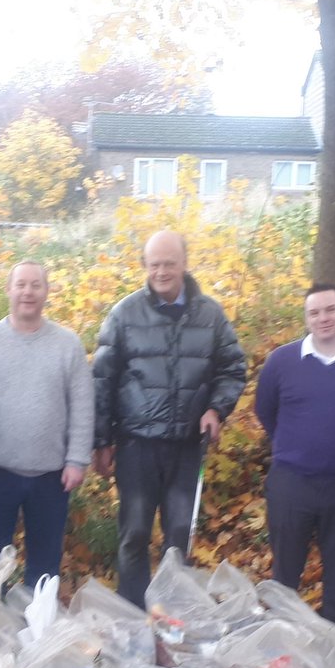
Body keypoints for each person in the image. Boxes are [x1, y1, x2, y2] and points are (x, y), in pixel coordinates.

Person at [92, 230, 246, 607]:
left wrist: (216, 409)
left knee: (179, 536)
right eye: (154, 264)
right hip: (136, 445)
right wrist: (101, 440)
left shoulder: (210, 315)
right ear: (145, 266)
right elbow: (102, 380)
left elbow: (232, 369)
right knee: (134, 534)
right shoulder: (124, 314)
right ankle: (133, 613)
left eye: (169, 264)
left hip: (187, 446)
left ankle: (174, 614)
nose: (161, 271)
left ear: (184, 264)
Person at [254, 283, 335, 635]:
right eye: (314, 312)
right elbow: (266, 411)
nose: (323, 318)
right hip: (292, 483)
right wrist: (296, 445)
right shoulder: (282, 361)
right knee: (285, 577)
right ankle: (280, 647)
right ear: (306, 318)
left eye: (330, 310)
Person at [0, 260, 94, 584]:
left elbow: (83, 407)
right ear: (8, 290)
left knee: (45, 567)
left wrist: (77, 460)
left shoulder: (67, 345)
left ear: (46, 292)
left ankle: (39, 617)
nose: (27, 292)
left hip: (52, 477)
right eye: (21, 285)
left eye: (35, 285)